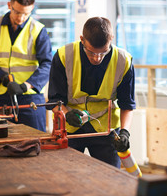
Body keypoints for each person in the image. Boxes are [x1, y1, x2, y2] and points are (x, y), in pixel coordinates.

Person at [48, 17, 136, 167]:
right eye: (91, 52)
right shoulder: (64, 56)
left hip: (105, 130)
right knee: (66, 177)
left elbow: (127, 104)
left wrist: (125, 133)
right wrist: (66, 114)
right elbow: (54, 100)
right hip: (68, 128)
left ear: (111, 39)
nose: (97, 58)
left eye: (103, 52)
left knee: (110, 178)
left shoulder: (123, 61)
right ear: (82, 39)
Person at [0, 0, 52, 132]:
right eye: (17, 12)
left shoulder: (38, 30)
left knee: (34, 141)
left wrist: (26, 85)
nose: (20, 18)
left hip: (29, 98)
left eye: (26, 13)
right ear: (9, 5)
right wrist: (2, 78)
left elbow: (47, 64)